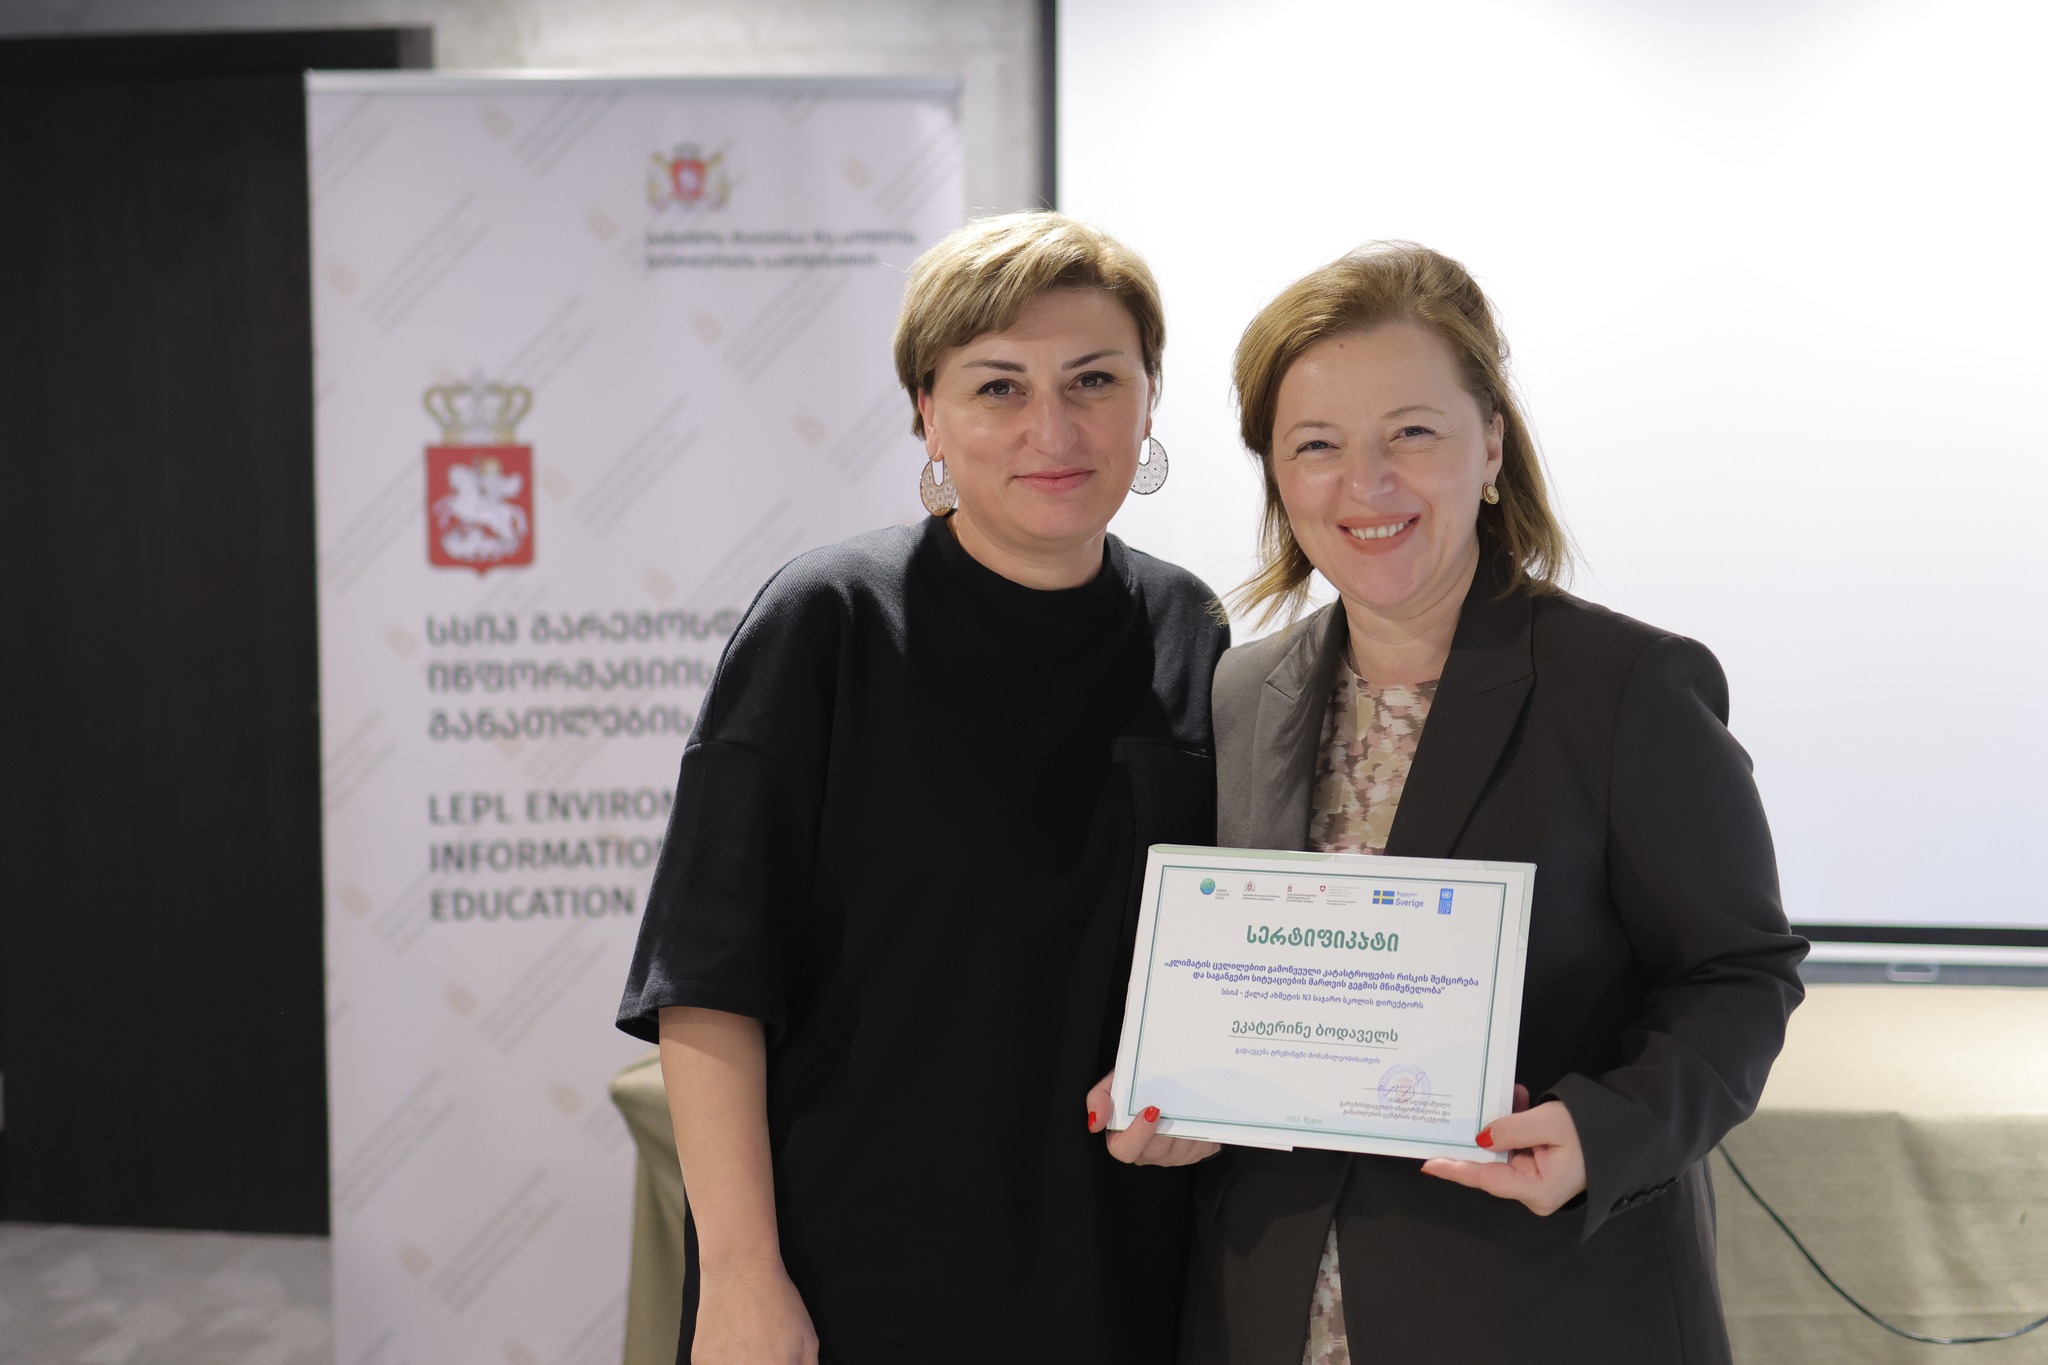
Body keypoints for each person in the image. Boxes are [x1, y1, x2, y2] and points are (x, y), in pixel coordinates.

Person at [1092, 243, 1806, 1364]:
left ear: (1491, 448)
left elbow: (1738, 974)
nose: (1365, 484)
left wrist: (1601, 1132)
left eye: (1411, 433)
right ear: (1277, 475)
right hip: (1272, 1312)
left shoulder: (1626, 688)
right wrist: (1176, 1091)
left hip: (1538, 1310)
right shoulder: (1245, 689)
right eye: (1315, 445)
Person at [617, 211, 1230, 1365]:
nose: (1052, 428)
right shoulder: (828, 622)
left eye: (1093, 379)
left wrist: (1207, 1087)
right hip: (855, 1275)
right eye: (998, 387)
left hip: (1120, 1268)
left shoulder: (1192, 629)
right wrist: (741, 1278)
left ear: (1148, 399)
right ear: (927, 414)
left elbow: (1207, 951)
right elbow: (708, 982)